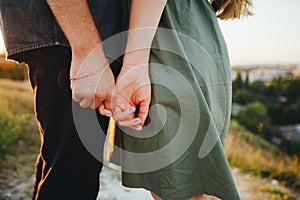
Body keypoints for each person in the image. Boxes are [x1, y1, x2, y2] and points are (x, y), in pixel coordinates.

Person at [111, 0, 251, 199]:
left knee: (181, 187)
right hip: (195, 40)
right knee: (196, 185)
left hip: (166, 46)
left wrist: (134, 63)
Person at [0, 0, 128, 199]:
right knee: (72, 174)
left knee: (62, 163)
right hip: (71, 35)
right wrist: (87, 52)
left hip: (69, 34)